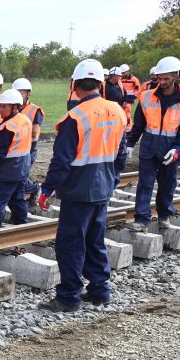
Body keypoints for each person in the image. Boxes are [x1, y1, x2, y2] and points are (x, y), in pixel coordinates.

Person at [37, 59, 127, 312]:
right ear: (101, 84)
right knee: (94, 240)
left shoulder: (75, 117)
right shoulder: (118, 111)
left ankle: (68, 297)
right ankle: (100, 290)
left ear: (75, 85)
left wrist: (47, 189)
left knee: (70, 243)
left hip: (78, 190)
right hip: (103, 187)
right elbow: (122, 155)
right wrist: (112, 177)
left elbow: (62, 160)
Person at [126, 55, 180, 231]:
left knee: (167, 184)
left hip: (170, 149)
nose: (162, 82)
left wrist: (178, 149)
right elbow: (139, 124)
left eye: (166, 78)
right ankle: (141, 219)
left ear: (176, 77)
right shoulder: (146, 97)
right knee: (145, 184)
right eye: (159, 78)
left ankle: (164, 216)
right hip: (149, 147)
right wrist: (130, 144)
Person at [0, 89, 32, 229]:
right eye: (0, 106)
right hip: (21, 170)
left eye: (4, 107)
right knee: (17, 200)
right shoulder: (25, 120)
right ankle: (22, 226)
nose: (1, 110)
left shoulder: (8, 128)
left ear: (15, 107)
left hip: (6, 173)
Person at [12, 77, 43, 202]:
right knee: (16, 177)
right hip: (14, 149)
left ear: (28, 93)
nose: (19, 95)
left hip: (29, 149)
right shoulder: (12, 108)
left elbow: (35, 133)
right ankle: (21, 196)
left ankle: (34, 188)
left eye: (21, 92)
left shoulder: (35, 110)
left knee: (20, 177)